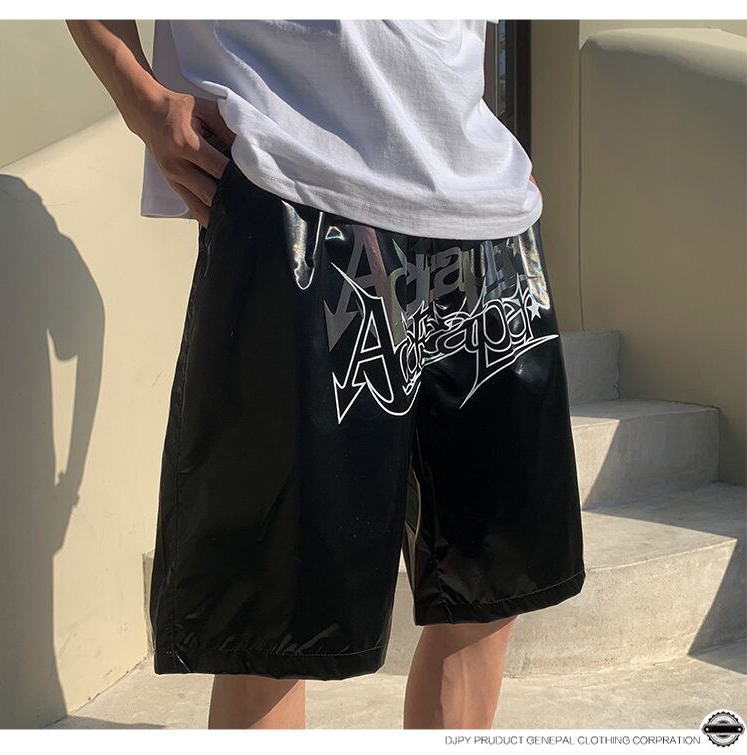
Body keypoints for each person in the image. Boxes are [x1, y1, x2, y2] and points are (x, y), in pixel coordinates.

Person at [66, 20, 585, 730]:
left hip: (485, 212)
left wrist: (479, 135)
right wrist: (144, 102)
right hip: (295, 183)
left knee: (488, 593)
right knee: (273, 624)